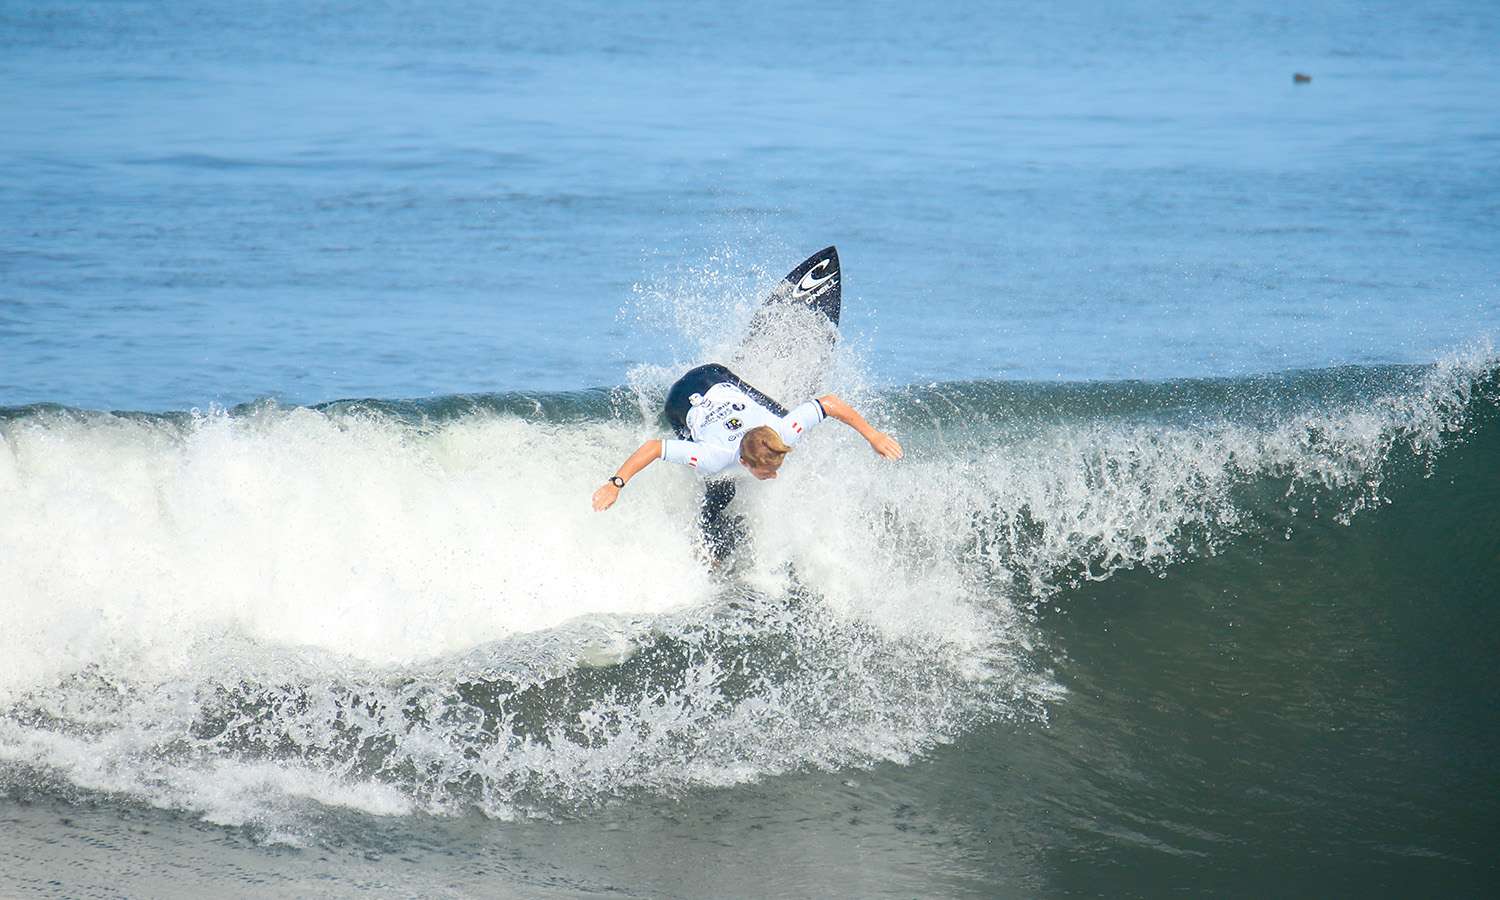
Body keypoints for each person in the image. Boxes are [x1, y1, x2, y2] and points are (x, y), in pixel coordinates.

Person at [591, 363, 903, 558]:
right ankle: (712, 555)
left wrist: (872, 436)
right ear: (746, 462)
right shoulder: (712, 458)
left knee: (780, 410)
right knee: (719, 492)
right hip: (680, 401)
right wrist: (615, 484)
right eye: (767, 472)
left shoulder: (783, 430)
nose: (774, 476)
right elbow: (653, 448)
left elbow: (830, 403)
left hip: (715, 374)